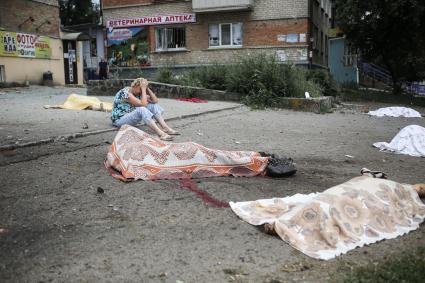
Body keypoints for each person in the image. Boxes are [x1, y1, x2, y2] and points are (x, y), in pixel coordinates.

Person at [110, 78, 179, 141]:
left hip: (129, 116)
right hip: (120, 120)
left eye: (143, 89)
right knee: (142, 109)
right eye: (141, 88)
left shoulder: (138, 93)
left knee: (153, 106)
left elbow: (155, 101)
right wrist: (143, 89)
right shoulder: (125, 93)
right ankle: (161, 134)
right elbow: (143, 104)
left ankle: (165, 128)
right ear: (135, 86)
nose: (142, 91)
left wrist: (147, 88)